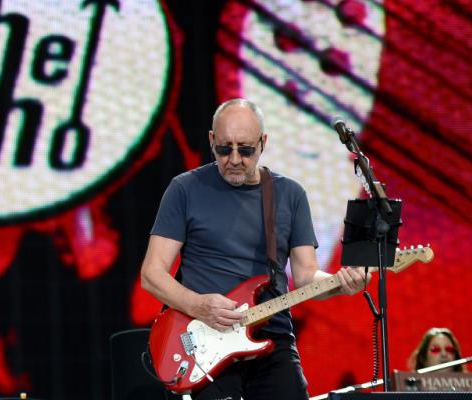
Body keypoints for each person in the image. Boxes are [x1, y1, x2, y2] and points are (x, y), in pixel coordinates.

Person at [139, 98, 370, 400]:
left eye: (245, 149)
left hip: (271, 339)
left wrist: (341, 285)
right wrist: (197, 306)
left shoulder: (289, 194)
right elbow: (151, 274)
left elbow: (304, 276)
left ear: (263, 143)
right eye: (225, 148)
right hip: (204, 340)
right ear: (211, 141)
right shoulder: (184, 189)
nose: (234, 159)